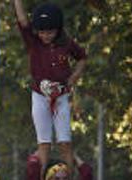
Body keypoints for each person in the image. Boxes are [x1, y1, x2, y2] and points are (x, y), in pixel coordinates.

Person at [11, 1, 87, 167]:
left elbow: (82, 57)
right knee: (44, 143)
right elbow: (23, 21)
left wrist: (74, 77)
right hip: (39, 95)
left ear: (58, 30)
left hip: (61, 96)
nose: (46, 36)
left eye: (50, 32)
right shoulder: (33, 41)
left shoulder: (66, 43)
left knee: (64, 142)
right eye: (42, 32)